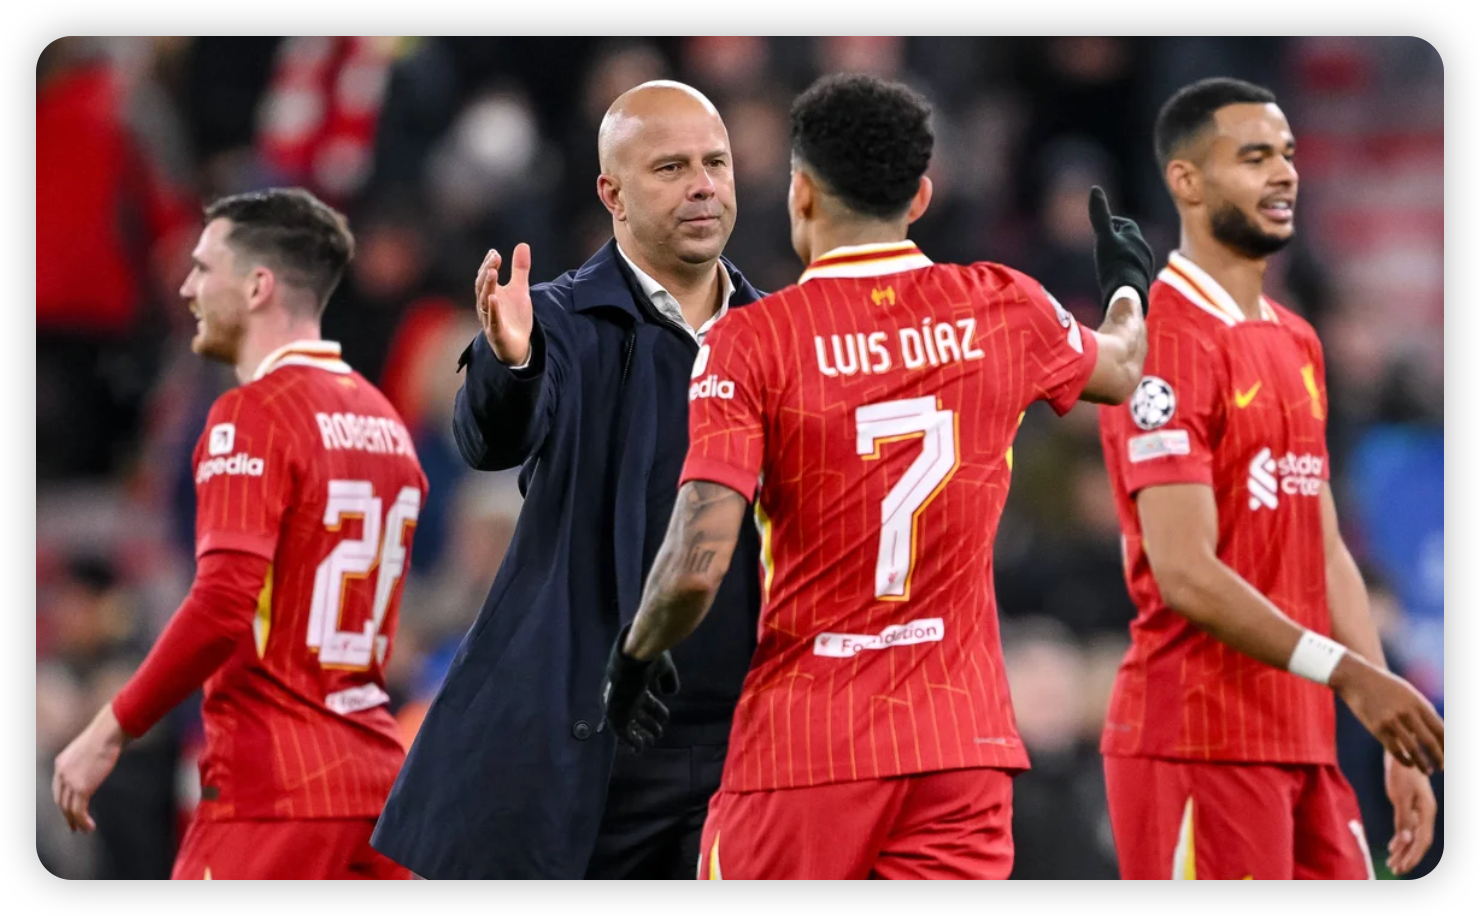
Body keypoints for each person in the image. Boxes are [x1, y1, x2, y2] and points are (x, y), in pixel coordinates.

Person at [599, 73, 1151, 880]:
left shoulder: (752, 341)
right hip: (958, 749)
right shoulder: (1002, 307)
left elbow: (695, 563)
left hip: (804, 749)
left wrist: (637, 653)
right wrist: (1128, 283)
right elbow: (1124, 364)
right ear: (920, 195)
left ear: (801, 191)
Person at [371, 81, 766, 880]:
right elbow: (489, 439)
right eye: (671, 167)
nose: (702, 185)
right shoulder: (555, 320)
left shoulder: (778, 331)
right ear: (612, 194)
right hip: (594, 744)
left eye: (715, 163)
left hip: (745, 741)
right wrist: (510, 363)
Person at [1094, 77, 1443, 880]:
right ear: (1186, 180)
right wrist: (1352, 677)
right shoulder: (1163, 341)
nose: (1284, 173)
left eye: (1287, 154)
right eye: (1254, 158)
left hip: (1305, 743)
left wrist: (1390, 722)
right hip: (1196, 744)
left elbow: (1325, 549)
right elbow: (1185, 571)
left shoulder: (1297, 341)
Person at [50, 188, 428, 881]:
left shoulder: (251, 414)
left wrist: (108, 729)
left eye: (203, 268)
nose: (186, 287)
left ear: (257, 286)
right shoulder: (386, 424)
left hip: (275, 789)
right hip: (376, 789)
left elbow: (224, 603)